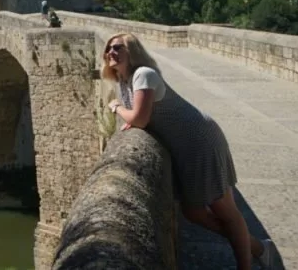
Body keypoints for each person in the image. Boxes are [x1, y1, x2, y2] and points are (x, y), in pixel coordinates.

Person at [102, 32, 276, 270]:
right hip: (185, 147)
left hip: (200, 141)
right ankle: (257, 248)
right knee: (193, 212)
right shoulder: (124, 80)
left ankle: (248, 264)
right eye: (108, 48)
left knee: (225, 210)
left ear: (132, 51)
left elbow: (139, 120)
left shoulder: (144, 75)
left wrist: (116, 108)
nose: (111, 52)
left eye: (117, 47)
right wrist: (127, 111)